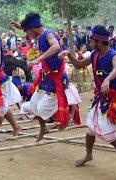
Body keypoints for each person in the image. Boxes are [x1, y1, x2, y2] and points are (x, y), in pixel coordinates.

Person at [59, 25, 116, 173]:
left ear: (100, 42)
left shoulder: (113, 55)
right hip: (100, 99)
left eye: (92, 41)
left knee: (109, 132)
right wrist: (68, 54)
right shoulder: (95, 55)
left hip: (112, 101)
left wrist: (107, 80)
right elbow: (79, 64)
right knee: (90, 130)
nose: (90, 43)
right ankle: (89, 155)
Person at [11, 13, 78, 141]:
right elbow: (31, 30)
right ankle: (44, 128)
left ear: (33, 28)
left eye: (28, 32)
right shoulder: (40, 34)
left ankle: (61, 119)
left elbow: (56, 46)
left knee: (42, 108)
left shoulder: (48, 34)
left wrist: (37, 60)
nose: (28, 36)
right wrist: (21, 27)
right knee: (34, 104)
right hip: (47, 77)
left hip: (57, 77)